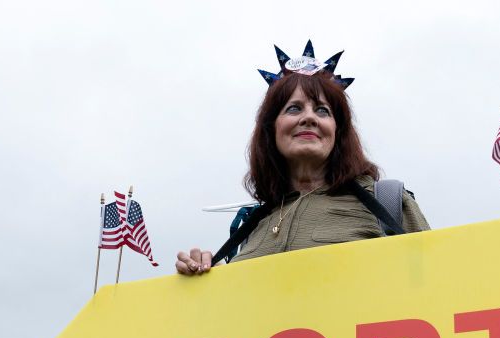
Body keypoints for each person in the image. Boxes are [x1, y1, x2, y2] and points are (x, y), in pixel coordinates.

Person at [175, 41, 428, 275]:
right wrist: (209, 280)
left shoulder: (388, 202)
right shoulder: (252, 226)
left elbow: (436, 283)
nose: (309, 118)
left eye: (322, 110)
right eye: (294, 108)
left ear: (337, 132)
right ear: (271, 130)